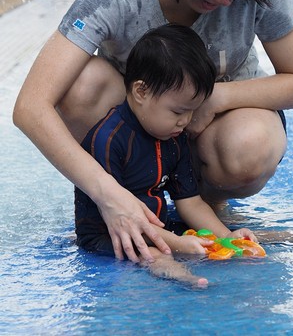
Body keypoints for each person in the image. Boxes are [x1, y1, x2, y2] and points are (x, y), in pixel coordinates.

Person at [13, 0, 293, 264]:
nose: (227, 0)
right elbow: (30, 107)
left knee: (250, 145)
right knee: (81, 86)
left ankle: (206, 206)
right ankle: (131, 206)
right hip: (138, 140)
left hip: (216, 129)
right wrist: (108, 194)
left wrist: (216, 97)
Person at [76, 24, 256, 286]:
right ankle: (182, 277)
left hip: (160, 228)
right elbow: (123, 219)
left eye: (191, 111)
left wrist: (226, 237)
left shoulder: (173, 136)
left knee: (212, 237)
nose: (186, 121)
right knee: (157, 254)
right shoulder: (108, 140)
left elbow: (190, 203)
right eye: (177, 111)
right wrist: (179, 244)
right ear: (141, 92)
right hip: (111, 233)